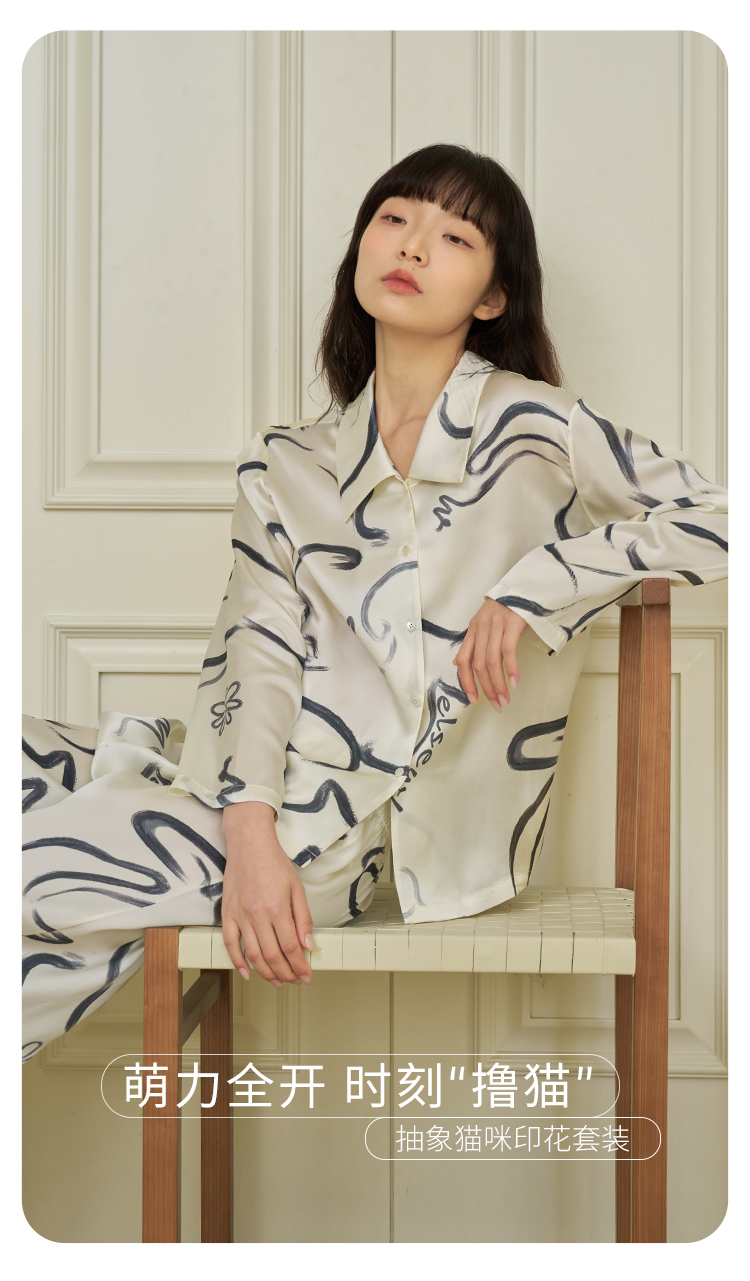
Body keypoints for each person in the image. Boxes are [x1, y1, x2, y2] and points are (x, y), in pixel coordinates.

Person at [22, 143, 728, 1062]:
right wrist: (248, 834)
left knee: (31, 869)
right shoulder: (286, 463)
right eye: (394, 218)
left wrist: (537, 587)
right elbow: (257, 653)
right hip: (251, 799)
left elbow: (718, 515)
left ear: (493, 296)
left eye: (455, 236)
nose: (413, 245)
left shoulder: (539, 426)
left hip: (348, 836)